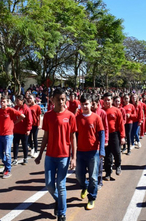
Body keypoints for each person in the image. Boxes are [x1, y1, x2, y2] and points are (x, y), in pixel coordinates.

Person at [35, 88, 77, 221]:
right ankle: (59, 201)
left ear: (66, 100)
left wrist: (74, 157)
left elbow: (73, 137)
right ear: (52, 100)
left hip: (64, 156)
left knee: (61, 184)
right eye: (58, 99)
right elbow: (46, 136)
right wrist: (40, 154)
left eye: (63, 99)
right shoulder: (47, 116)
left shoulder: (70, 116)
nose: (60, 101)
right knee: (49, 184)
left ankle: (62, 213)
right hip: (50, 156)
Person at [75, 93, 105, 210]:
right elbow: (73, 135)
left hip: (93, 152)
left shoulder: (96, 118)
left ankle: (91, 198)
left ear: (91, 104)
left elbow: (101, 133)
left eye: (86, 104)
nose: (85, 106)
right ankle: (84, 186)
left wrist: (101, 149)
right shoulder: (77, 118)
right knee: (78, 175)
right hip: (80, 152)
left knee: (93, 177)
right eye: (82, 104)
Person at [0, 96, 25, 179]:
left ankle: (8, 169)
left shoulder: (10, 110)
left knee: (7, 153)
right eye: (1, 102)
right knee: (0, 152)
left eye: (4, 101)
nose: (2, 103)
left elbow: (22, 116)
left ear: (7, 102)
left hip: (8, 134)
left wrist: (15, 122)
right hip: (0, 135)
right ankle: (6, 164)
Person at [102, 92, 126, 180]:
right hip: (105, 135)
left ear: (111, 100)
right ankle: (108, 173)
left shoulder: (117, 111)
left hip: (114, 134)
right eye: (105, 100)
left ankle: (118, 165)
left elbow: (121, 125)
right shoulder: (101, 111)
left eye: (108, 100)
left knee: (116, 152)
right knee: (107, 155)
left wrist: (122, 136)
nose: (107, 102)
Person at [91, 94, 109, 190]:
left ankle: (99, 180)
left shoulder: (102, 113)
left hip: (99, 142)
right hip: (90, 143)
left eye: (94, 104)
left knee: (99, 163)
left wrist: (105, 140)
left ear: (98, 103)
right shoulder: (88, 112)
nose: (92, 106)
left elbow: (105, 128)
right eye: (91, 104)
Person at [12, 95, 32, 165]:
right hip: (16, 130)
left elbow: (29, 119)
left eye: (18, 100)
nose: (16, 102)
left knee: (24, 144)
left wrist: (28, 129)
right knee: (15, 145)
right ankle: (15, 159)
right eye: (16, 100)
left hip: (24, 130)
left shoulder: (26, 108)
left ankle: (25, 158)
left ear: (22, 101)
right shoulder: (14, 108)